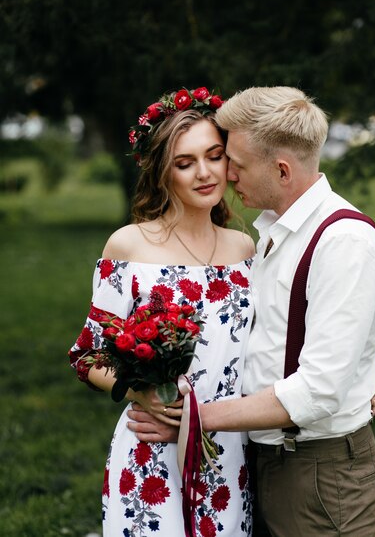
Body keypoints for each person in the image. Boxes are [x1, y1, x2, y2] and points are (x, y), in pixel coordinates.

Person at [129, 86, 375, 537]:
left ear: (282, 169)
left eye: (237, 164)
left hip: (319, 478)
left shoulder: (344, 244)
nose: (227, 175)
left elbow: (318, 392)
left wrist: (194, 419)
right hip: (260, 462)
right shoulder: (271, 233)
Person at [68, 87, 256, 537]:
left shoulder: (245, 249)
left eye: (214, 156)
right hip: (152, 453)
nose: (205, 173)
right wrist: (144, 394)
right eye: (184, 163)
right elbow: (88, 355)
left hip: (229, 453)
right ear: (161, 173)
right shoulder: (130, 246)